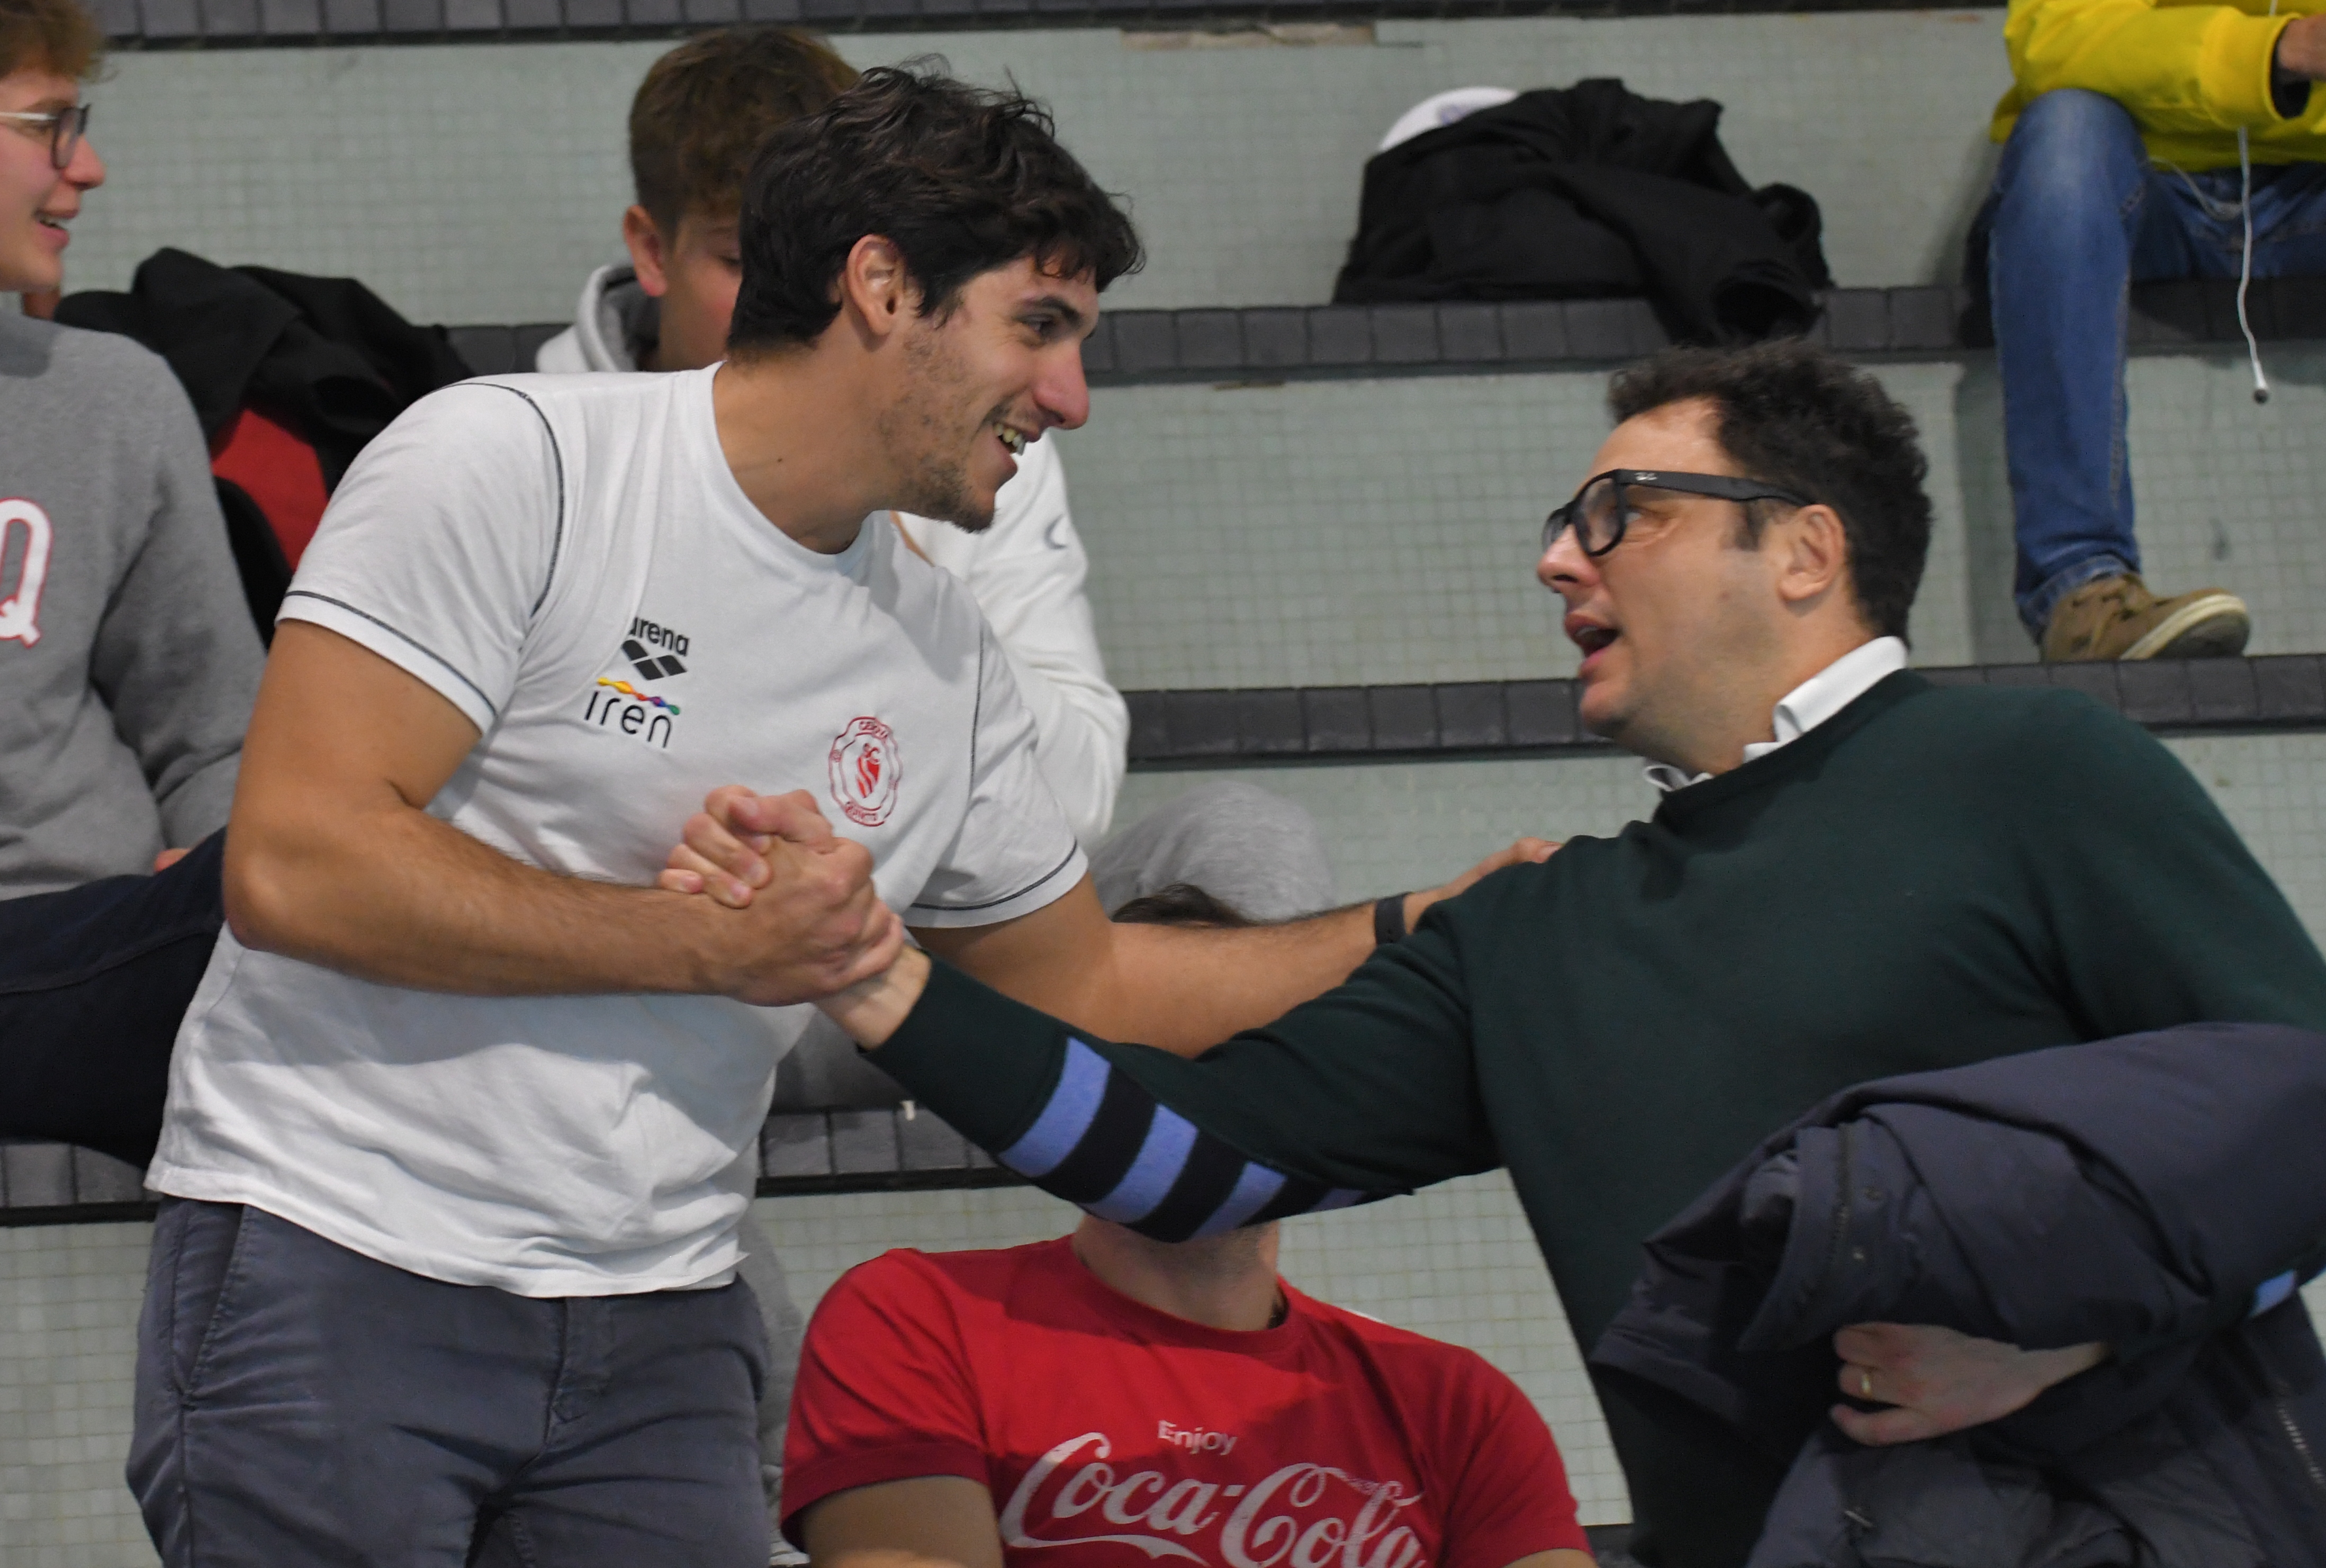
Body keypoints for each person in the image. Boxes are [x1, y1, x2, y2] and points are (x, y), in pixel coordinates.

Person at [695, 340, 2326, 1567]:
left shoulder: (2031, 769)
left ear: (1802, 549)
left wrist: (2072, 1335)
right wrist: (879, 978)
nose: (1553, 558)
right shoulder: (1539, 930)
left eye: (1620, 512)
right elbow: (1177, 1158)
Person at [127, 68, 1531, 1567]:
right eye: (1036, 327)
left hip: (662, 1320)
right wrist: (706, 943)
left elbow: (1091, 988)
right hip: (336, 1259)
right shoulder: (515, 458)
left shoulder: (944, 650)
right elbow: (297, 864)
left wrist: (1415, 929)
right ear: (881, 286)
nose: (1068, 396)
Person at [537, 26, 1331, 932]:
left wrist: (889, 563)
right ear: (653, 249)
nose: (795, 292)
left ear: (875, 273)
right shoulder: (536, 452)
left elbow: (1072, 802)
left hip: (936, 920)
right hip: (682, 927)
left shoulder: (981, 449)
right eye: (740, 259)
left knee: (1243, 835)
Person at [786, 884, 1593, 1568]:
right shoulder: (916, 1315)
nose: (1200, 1087)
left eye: (1242, 1051)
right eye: (1156, 1055)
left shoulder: (1455, 1404)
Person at [1975, 0, 2326, 661]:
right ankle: (2080, 589)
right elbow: (2051, 40)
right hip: (2141, 184)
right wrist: (2282, 48)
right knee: (2065, 131)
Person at [0, 0, 259, 895]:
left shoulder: (113, 397)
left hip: (93, 934)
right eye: (48, 124)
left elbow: (213, 738)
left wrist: (218, 875)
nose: (88, 166)